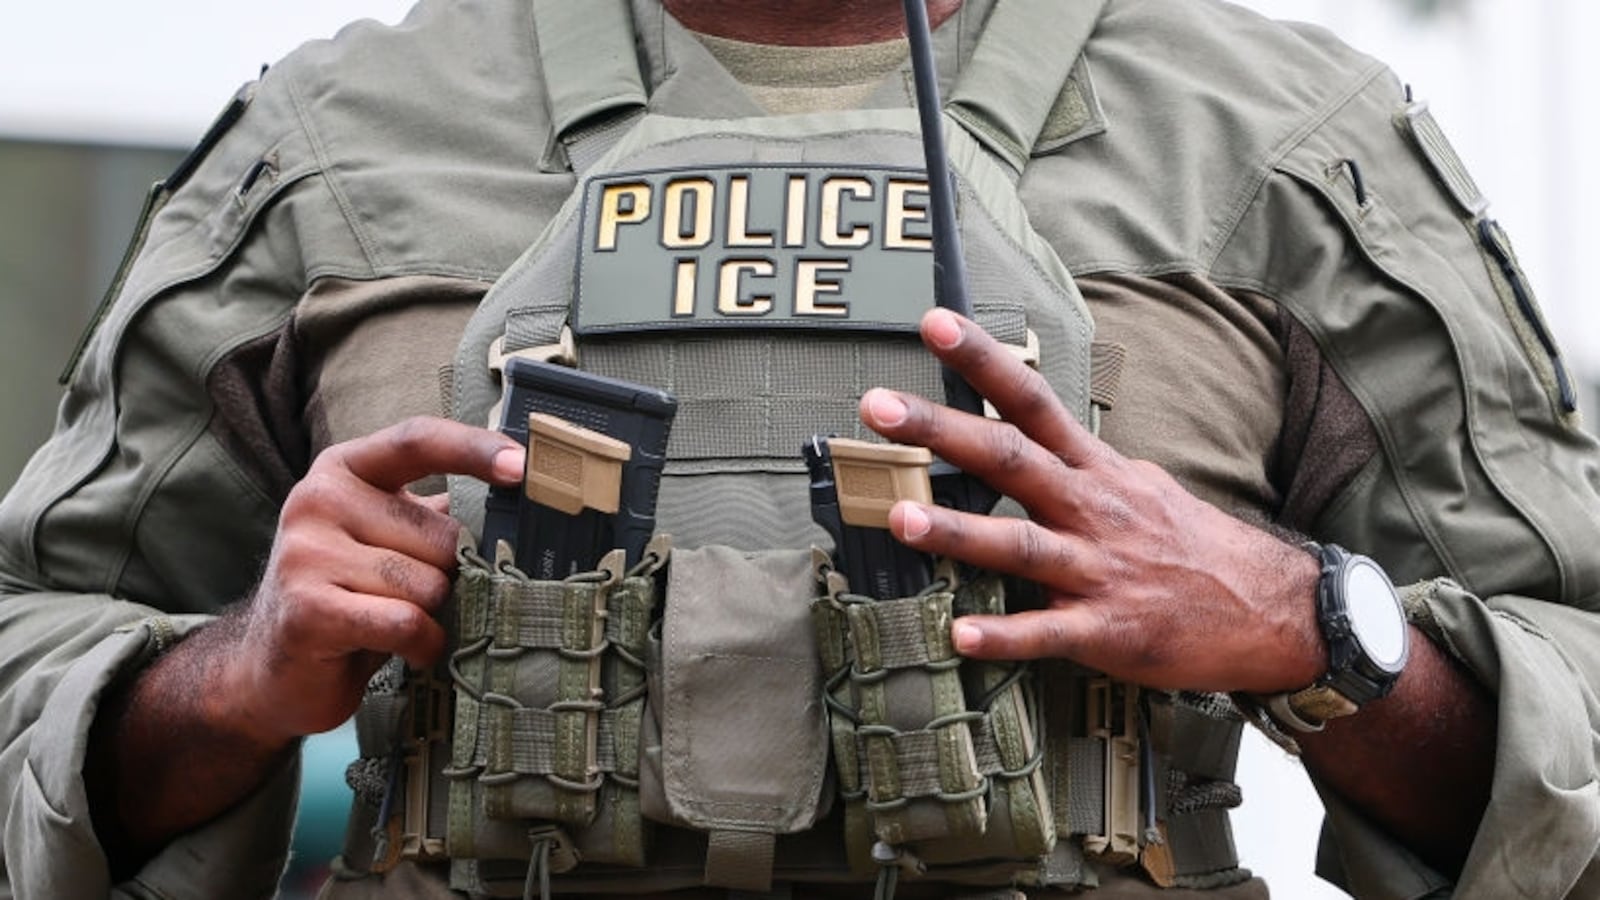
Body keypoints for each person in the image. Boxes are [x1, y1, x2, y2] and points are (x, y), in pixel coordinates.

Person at [2, 0, 1597, 898]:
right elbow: (37, 641)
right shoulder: (333, 145)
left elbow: (1575, 688)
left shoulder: (1283, 147)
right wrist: (235, 676)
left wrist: (1308, 629)